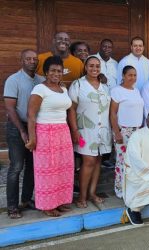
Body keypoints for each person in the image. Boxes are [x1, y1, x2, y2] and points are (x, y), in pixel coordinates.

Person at [26, 56, 74, 217]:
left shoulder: (64, 89)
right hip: (45, 133)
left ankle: (59, 201)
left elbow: (67, 110)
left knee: (62, 169)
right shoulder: (40, 89)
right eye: (53, 70)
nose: (56, 73)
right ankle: (47, 205)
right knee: (47, 170)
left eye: (59, 71)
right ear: (46, 72)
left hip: (62, 132)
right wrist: (32, 138)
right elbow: (31, 115)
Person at [4, 49, 44, 219]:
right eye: (28, 58)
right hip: (17, 127)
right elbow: (10, 107)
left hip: (35, 127)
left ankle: (26, 200)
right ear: (21, 60)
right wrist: (22, 130)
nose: (32, 61)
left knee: (32, 167)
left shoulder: (41, 80)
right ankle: (12, 206)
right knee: (16, 167)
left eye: (35, 59)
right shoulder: (13, 80)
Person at [68, 56, 112, 208]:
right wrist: (74, 130)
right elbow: (72, 109)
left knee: (98, 160)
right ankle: (82, 196)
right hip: (85, 131)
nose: (94, 69)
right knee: (88, 161)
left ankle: (92, 193)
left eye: (97, 66)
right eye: (91, 66)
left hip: (103, 130)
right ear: (85, 67)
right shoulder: (78, 85)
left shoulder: (105, 87)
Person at [110, 65, 144, 198]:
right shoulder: (117, 91)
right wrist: (117, 132)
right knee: (121, 161)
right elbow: (113, 113)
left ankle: (131, 187)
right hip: (123, 130)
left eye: (135, 75)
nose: (133, 78)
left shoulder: (136, 91)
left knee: (134, 161)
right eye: (130, 75)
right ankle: (120, 189)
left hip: (137, 130)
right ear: (123, 76)